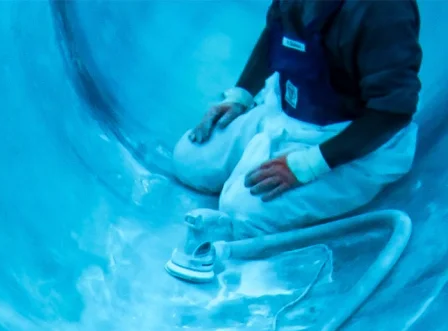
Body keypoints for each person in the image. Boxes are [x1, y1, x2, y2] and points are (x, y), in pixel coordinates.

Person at [172, 0, 422, 238]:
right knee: (189, 158)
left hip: (348, 141)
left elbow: (393, 112)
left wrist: (309, 165)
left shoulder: (385, 10)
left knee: (241, 212)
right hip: (284, 113)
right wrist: (241, 95)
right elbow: (276, 32)